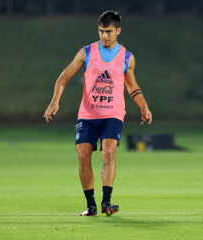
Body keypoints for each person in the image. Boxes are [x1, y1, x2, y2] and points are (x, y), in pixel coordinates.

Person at [43, 10, 152, 216]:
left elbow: (132, 87)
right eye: (101, 31)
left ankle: (106, 203)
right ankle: (91, 205)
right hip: (88, 115)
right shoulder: (86, 52)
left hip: (113, 114)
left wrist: (143, 105)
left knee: (108, 152)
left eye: (109, 31)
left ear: (118, 31)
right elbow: (63, 78)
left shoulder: (127, 57)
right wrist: (54, 101)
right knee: (83, 155)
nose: (104, 36)